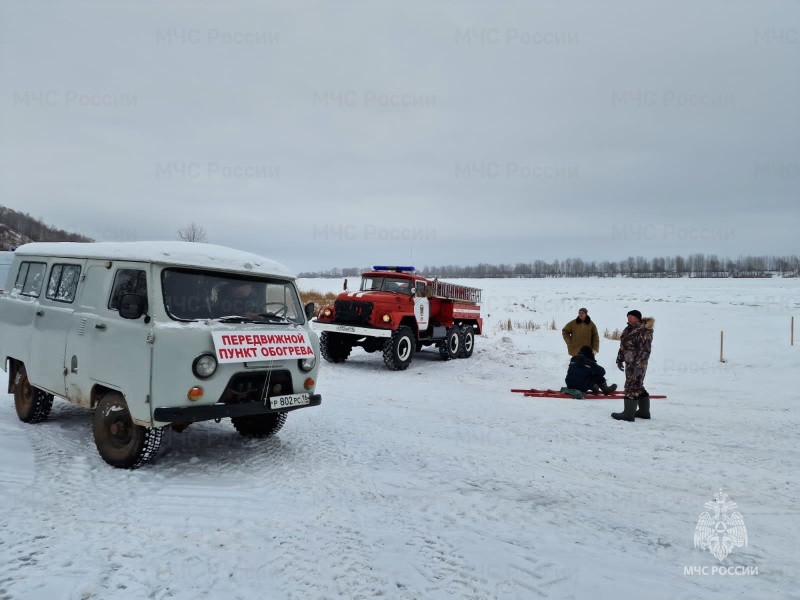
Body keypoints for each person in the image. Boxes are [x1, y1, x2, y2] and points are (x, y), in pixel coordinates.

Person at [612, 309, 655, 421]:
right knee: (638, 386)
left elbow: (645, 350)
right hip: (629, 363)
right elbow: (624, 346)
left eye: (631, 317)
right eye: (628, 317)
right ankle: (643, 412)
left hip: (637, 364)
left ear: (637, 318)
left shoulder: (644, 331)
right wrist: (619, 359)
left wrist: (639, 366)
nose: (628, 319)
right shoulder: (629, 329)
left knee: (631, 386)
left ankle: (628, 414)